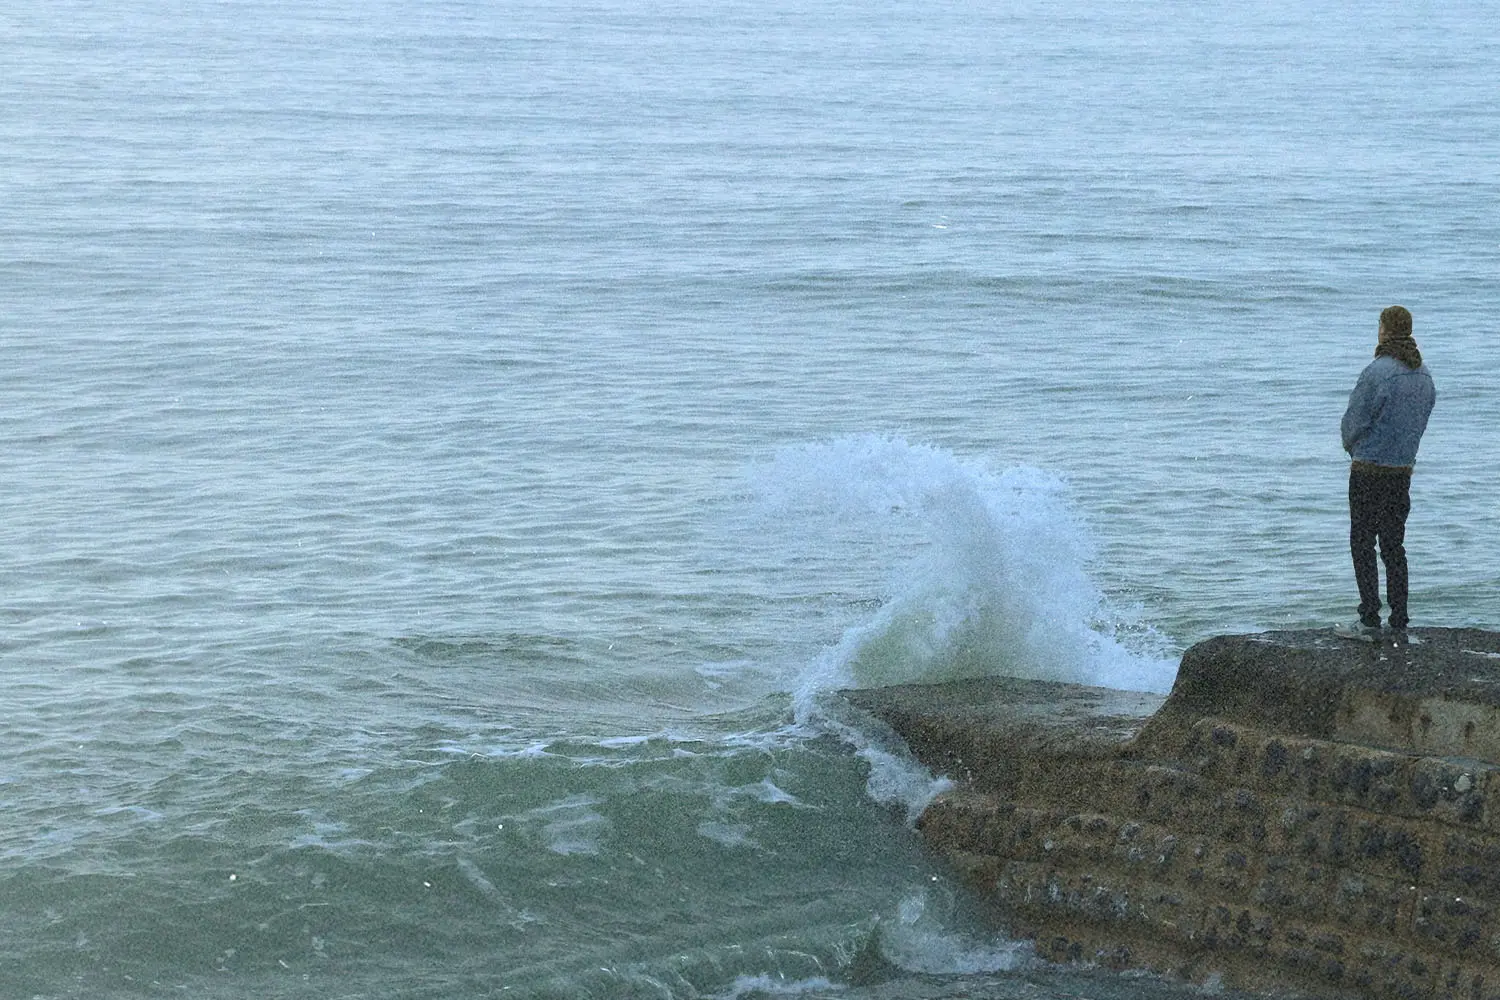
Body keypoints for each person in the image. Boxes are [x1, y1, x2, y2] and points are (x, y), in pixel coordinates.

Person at [1336, 305, 1436, 640]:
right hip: (1401, 472)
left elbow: (1353, 423)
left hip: (1368, 469)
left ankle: (1368, 619)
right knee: (1394, 545)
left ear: (1384, 330)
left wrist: (1354, 448)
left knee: (1362, 542)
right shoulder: (1423, 375)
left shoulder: (1377, 372)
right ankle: (1400, 619)